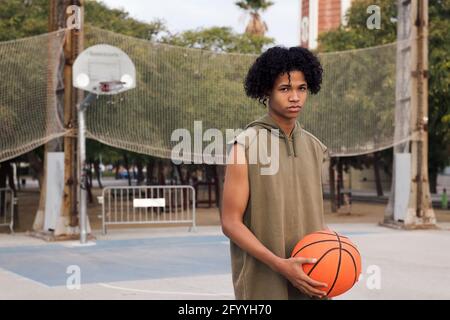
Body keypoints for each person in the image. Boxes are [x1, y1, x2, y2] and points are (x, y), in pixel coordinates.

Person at [221, 46, 329, 300]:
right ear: (266, 91)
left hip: (311, 278)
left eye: (301, 88)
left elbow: (312, 214)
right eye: (285, 89)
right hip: (264, 284)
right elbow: (231, 223)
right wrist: (280, 264)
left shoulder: (315, 147)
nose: (295, 97)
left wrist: (336, 252)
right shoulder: (245, 145)